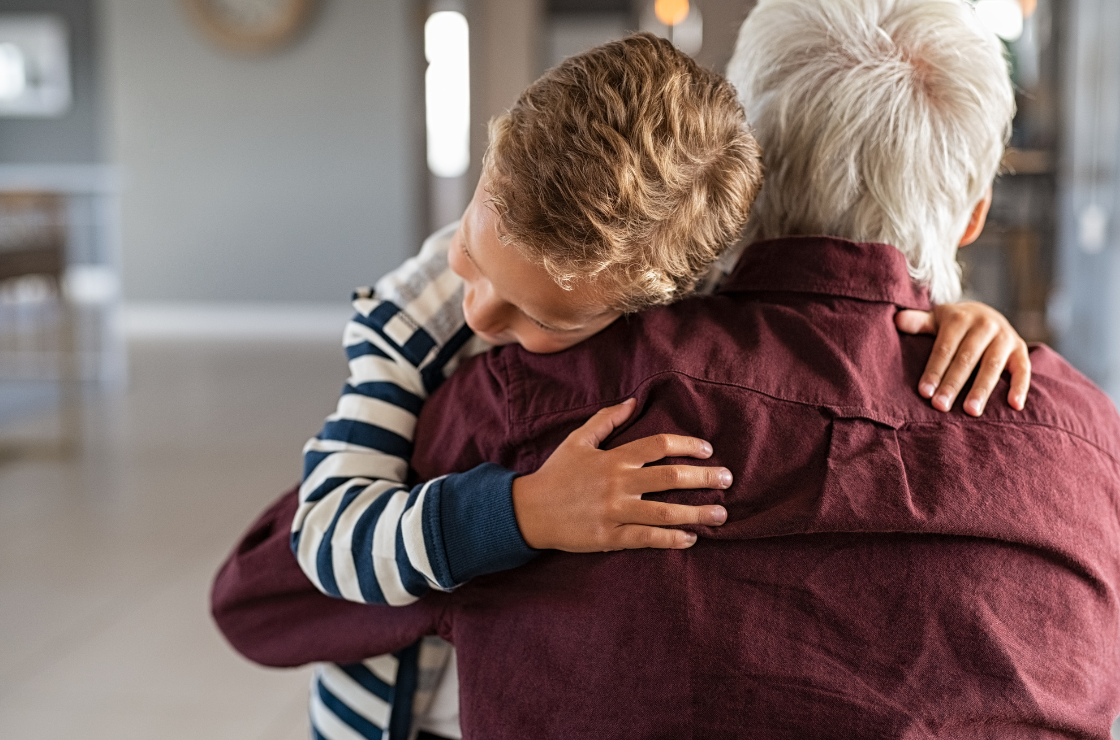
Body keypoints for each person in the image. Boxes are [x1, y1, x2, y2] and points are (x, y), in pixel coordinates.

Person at [213, 23, 1052, 740]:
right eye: (473, 250)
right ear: (495, 159)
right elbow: (324, 541)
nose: (475, 315)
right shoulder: (406, 327)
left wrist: (957, 310)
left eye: (542, 318)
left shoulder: (686, 308)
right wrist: (524, 512)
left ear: (665, 307)